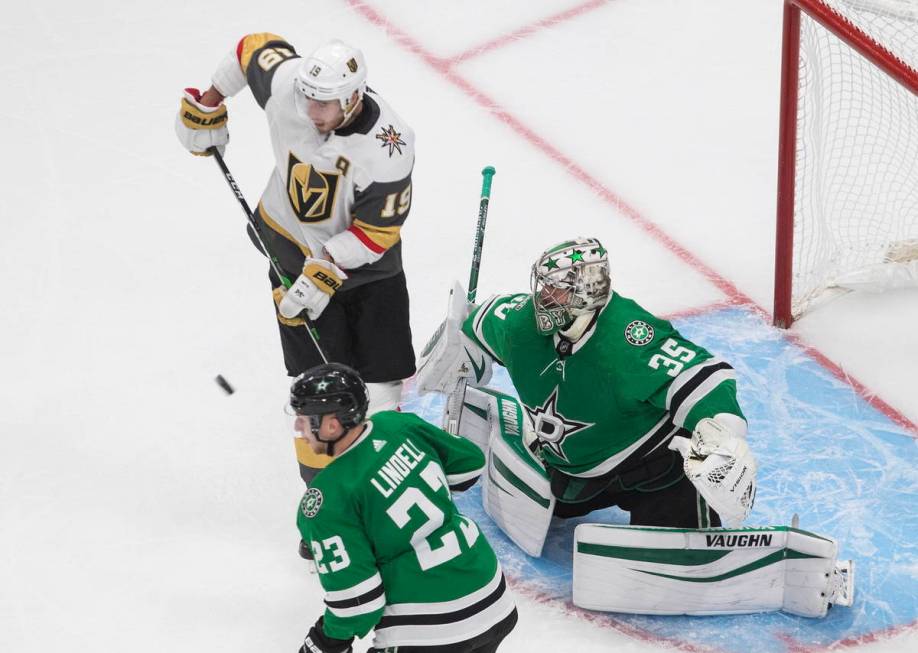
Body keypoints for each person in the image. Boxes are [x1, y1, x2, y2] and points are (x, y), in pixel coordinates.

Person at [176, 33, 416, 480]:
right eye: (308, 99)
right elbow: (252, 47)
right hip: (288, 248)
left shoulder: (390, 147)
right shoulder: (292, 86)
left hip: (370, 273)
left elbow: (377, 232)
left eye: (324, 105)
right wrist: (208, 105)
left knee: (382, 385)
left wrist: (324, 271)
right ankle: (322, 494)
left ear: (354, 97)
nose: (311, 111)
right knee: (314, 391)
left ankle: (383, 482)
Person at [454, 237, 756, 528]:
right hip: (575, 474)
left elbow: (703, 380)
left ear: (587, 291)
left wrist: (725, 435)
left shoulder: (630, 338)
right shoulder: (522, 324)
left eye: (556, 290)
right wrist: (457, 346)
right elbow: (480, 320)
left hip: (651, 467)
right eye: (544, 286)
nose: (543, 297)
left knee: (679, 529)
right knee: (556, 503)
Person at [289, 363, 517, 653]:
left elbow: (357, 604)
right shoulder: (398, 425)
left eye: (303, 418)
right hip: (493, 597)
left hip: (428, 630)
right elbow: (470, 463)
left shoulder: (326, 499)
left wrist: (325, 642)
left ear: (331, 425)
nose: (298, 427)